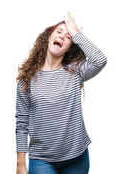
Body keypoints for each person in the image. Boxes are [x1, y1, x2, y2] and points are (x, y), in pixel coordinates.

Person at [14, 12, 107, 174]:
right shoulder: (27, 80)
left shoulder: (76, 70)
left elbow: (100, 60)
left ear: (71, 46)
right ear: (49, 36)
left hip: (77, 158)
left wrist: (77, 34)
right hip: (41, 160)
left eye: (68, 36)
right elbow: (22, 122)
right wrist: (20, 163)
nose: (63, 36)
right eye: (59, 31)